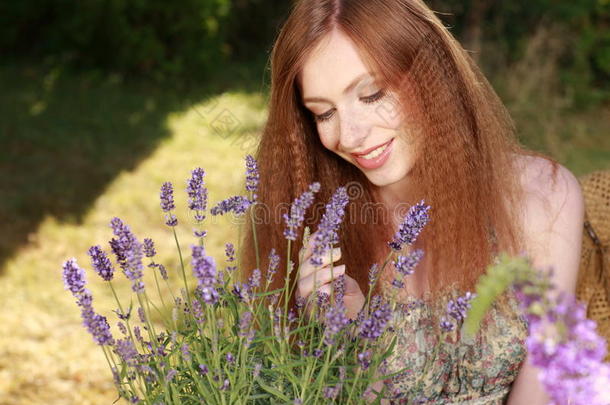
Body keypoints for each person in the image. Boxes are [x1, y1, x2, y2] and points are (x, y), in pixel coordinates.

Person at [239, 0, 585, 403]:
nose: (349, 136)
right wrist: (346, 335)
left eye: (371, 94)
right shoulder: (315, 230)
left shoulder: (543, 197)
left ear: (431, 75)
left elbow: (541, 390)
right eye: (323, 113)